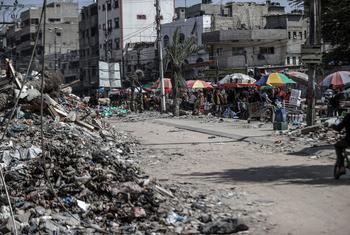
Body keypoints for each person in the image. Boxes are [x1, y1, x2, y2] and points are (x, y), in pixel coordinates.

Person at [331, 113, 350, 178]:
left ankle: (341, 166)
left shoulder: (348, 116)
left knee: (337, 146)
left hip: (348, 141)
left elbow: (339, 128)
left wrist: (333, 126)